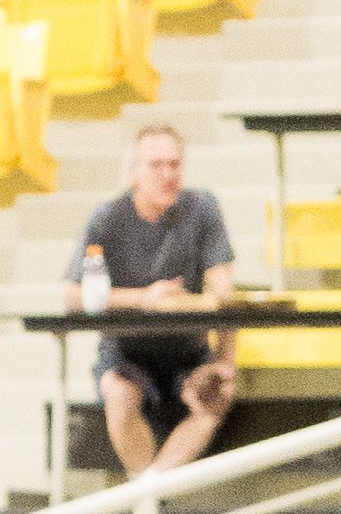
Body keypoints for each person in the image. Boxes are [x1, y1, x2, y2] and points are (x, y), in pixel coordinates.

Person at [71, 121, 240, 475]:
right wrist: (145, 298)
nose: (168, 174)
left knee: (216, 395)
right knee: (118, 393)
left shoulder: (203, 208)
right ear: (132, 173)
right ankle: (151, 497)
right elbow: (76, 296)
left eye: (175, 165)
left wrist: (224, 360)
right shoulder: (106, 220)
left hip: (188, 353)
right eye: (156, 165)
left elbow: (223, 290)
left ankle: (147, 494)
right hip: (127, 352)